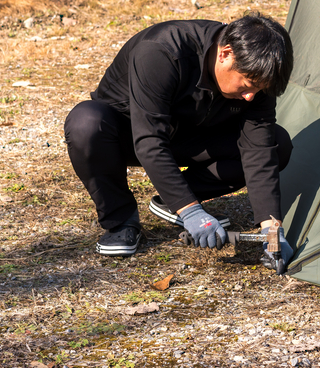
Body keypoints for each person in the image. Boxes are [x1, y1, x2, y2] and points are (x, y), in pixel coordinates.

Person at [63, 14, 294, 269]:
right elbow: (149, 139)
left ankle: (174, 200)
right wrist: (191, 212)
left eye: (259, 90)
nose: (251, 96)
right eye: (248, 84)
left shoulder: (257, 76)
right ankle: (121, 220)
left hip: (191, 136)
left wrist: (272, 230)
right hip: (130, 133)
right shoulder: (161, 51)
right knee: (85, 123)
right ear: (225, 53)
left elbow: (259, 148)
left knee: (278, 143)